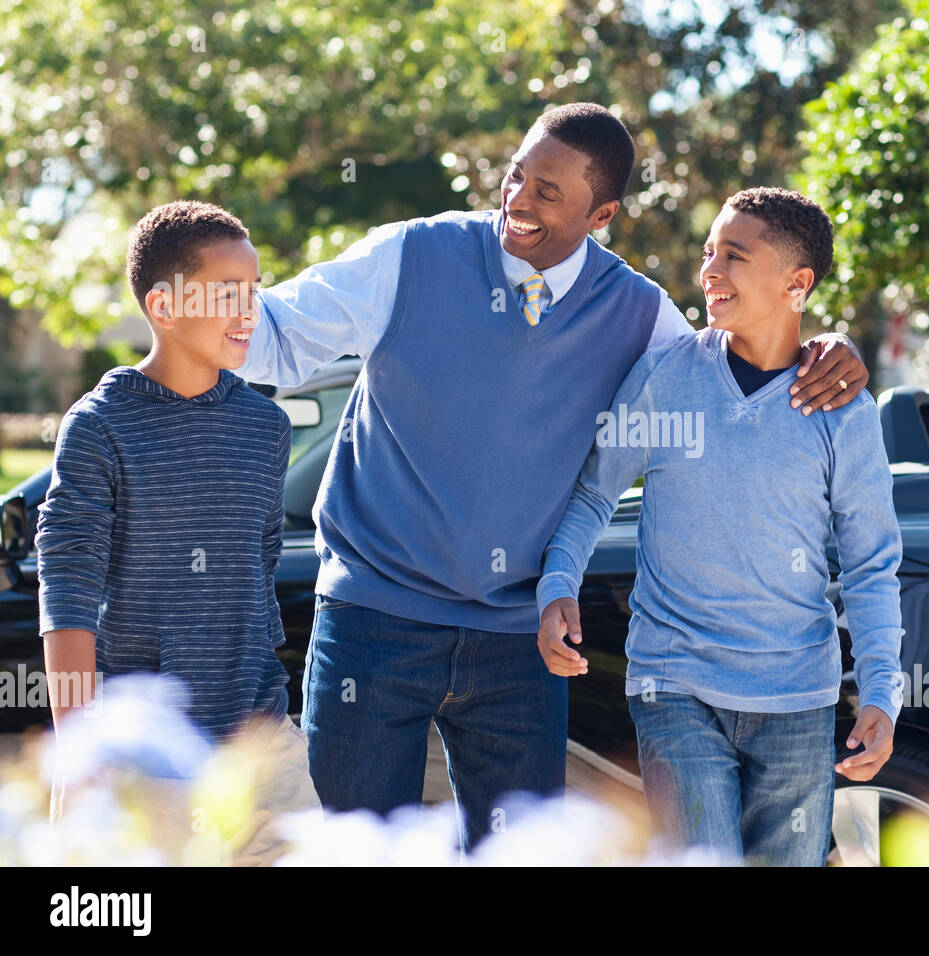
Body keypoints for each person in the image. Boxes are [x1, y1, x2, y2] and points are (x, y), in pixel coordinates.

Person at [233, 103, 872, 852]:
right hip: (374, 619)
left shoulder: (637, 314)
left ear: (601, 213)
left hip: (520, 642)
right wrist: (195, 304)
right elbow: (271, 340)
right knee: (353, 855)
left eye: (548, 191)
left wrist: (826, 345)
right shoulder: (411, 257)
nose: (518, 200)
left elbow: (727, 368)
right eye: (515, 176)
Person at [536, 187, 904, 865]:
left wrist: (882, 689)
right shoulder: (665, 378)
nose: (711, 269)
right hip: (674, 679)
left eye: (735, 255)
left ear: (797, 283)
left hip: (798, 693)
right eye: (710, 251)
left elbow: (870, 562)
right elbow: (593, 491)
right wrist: (557, 584)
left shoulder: (843, 411)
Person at [35, 200, 320, 864]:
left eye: (255, 291)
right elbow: (67, 597)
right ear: (163, 307)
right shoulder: (99, 425)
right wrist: (82, 754)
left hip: (258, 740)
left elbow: (258, 572)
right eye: (228, 293)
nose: (249, 311)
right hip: (138, 755)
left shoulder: (264, 427)